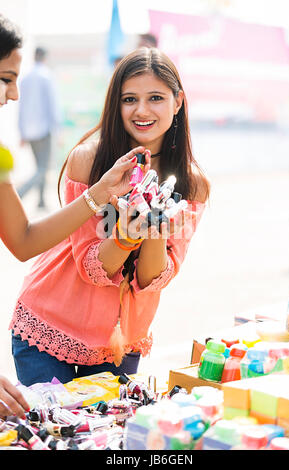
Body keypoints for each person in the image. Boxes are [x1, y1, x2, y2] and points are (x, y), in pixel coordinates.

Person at [10, 47, 210, 387]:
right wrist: (127, 236)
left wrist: (153, 232)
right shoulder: (88, 160)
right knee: (54, 435)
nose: (142, 110)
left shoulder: (192, 184)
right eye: (129, 99)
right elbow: (91, 268)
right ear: (115, 105)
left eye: (156, 98)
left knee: (108, 436)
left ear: (178, 102)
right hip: (48, 328)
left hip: (120, 340)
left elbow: (151, 279)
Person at [0, 14, 148, 418]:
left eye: (15, 79)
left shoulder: (1, 157)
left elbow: (23, 241)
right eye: (5, 78)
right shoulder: (84, 157)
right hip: (44, 329)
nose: (13, 94)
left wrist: (100, 193)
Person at [17, 46, 61, 208]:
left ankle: (41, 201)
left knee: (39, 166)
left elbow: (21, 107)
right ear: (45, 57)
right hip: (44, 129)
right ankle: (19, 193)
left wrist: (21, 132)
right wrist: (58, 129)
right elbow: (53, 105)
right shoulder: (47, 76)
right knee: (43, 168)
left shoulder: (25, 78)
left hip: (29, 131)